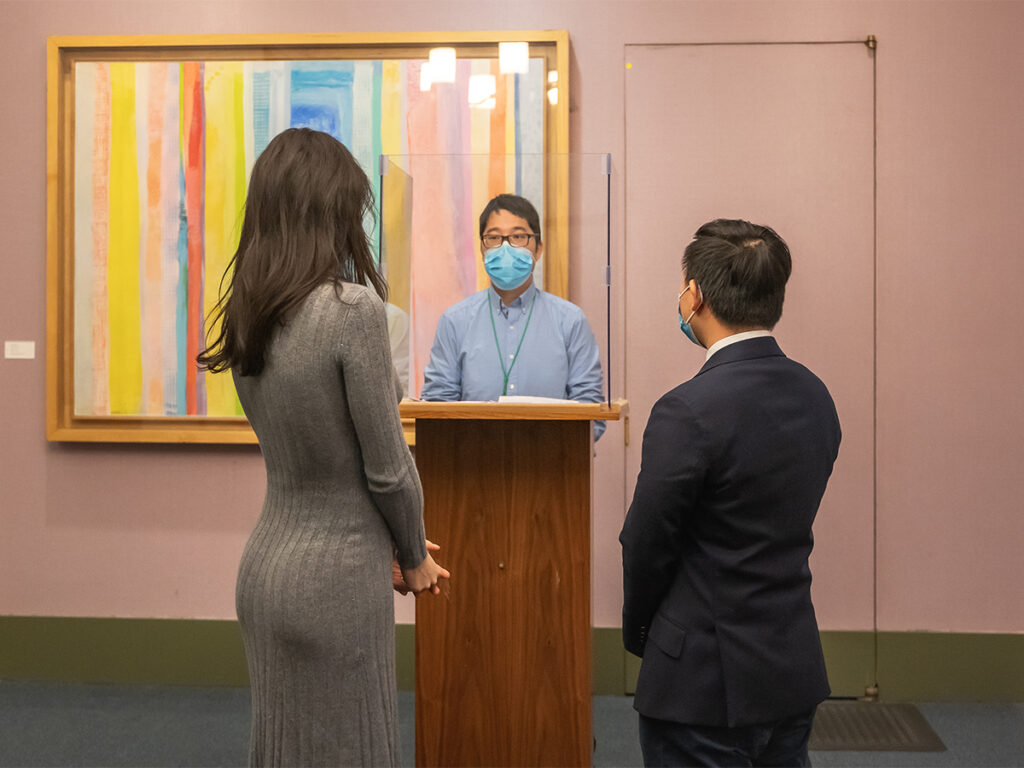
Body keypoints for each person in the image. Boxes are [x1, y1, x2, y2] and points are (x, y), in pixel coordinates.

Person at [197, 127, 449, 767]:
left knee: (283, 753)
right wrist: (414, 554)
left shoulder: (251, 315)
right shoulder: (351, 310)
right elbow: (389, 469)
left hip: (266, 571)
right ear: (328, 210)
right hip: (334, 583)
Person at [619, 219, 841, 767]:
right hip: (789, 664)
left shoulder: (686, 409)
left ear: (694, 295)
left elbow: (646, 543)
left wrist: (646, 633)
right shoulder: (816, 396)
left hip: (699, 680)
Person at [420, 193, 606, 438]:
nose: (505, 247)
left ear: (538, 249)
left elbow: (591, 411)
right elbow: (437, 406)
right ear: (482, 248)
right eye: (494, 238)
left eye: (518, 236)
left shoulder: (570, 321)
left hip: (553, 466)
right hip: (469, 464)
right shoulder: (455, 321)